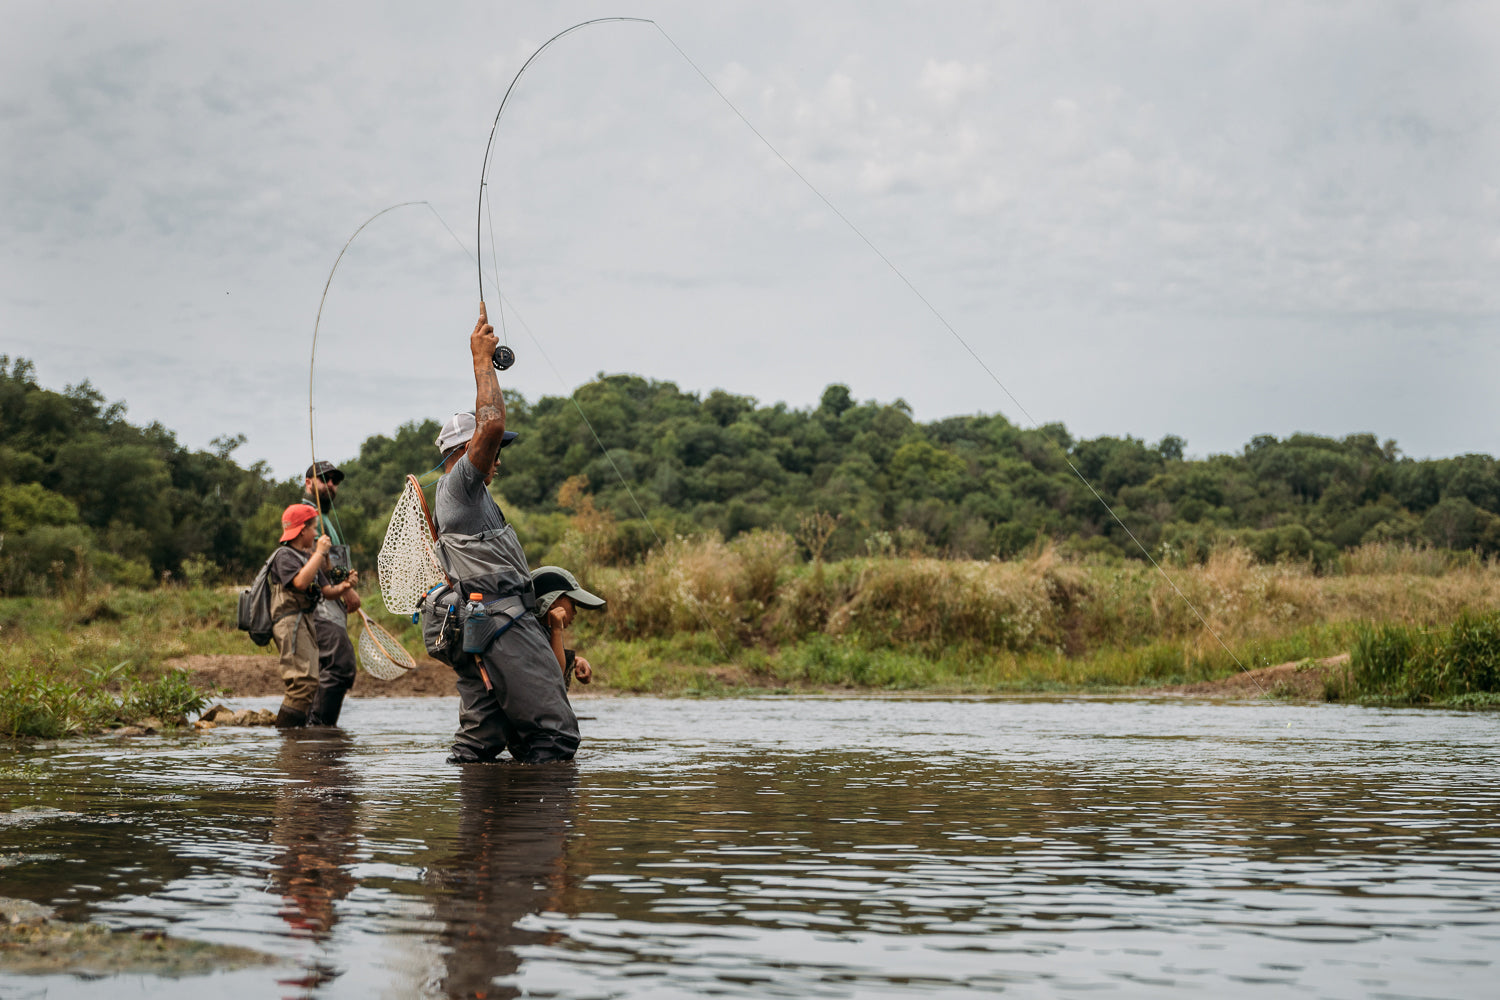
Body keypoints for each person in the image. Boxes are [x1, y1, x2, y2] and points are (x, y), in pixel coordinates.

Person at [419, 305, 579, 764]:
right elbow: (491, 423)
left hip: (481, 627)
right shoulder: (459, 487)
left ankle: (481, 831)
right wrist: (481, 361)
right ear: (465, 452)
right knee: (555, 736)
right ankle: (536, 830)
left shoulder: (472, 498)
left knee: (482, 741)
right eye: (492, 451)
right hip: (498, 627)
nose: (499, 456)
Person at [268, 504, 360, 728]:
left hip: (306, 622)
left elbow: (328, 592)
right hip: (289, 622)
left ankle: (299, 735)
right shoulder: (284, 555)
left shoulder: (309, 558)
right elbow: (300, 582)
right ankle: (287, 735)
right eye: (313, 529)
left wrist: (347, 585)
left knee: (311, 680)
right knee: (302, 682)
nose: (317, 535)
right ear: (301, 531)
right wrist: (319, 553)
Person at [298, 460, 359, 726]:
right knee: (339, 666)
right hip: (320, 606)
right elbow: (317, 560)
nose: (331, 485)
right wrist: (345, 590)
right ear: (309, 483)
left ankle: (313, 734)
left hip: (332, 603)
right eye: (325, 479)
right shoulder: (308, 517)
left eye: (335, 481)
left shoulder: (323, 519)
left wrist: (346, 585)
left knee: (328, 669)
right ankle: (319, 731)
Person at [530, 565, 605, 689]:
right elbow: (556, 677)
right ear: (552, 601)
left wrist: (576, 661)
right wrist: (556, 630)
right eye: (573, 604)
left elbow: (550, 655)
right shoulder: (529, 633)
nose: (575, 612)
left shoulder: (542, 629)